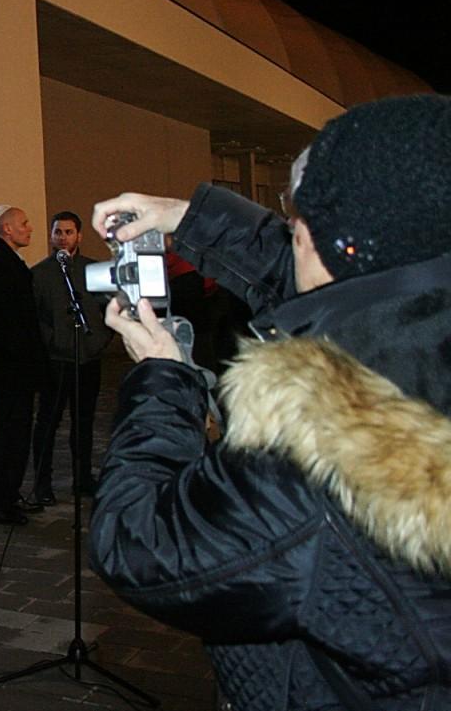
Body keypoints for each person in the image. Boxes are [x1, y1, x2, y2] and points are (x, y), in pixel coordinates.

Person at [88, 94, 451, 710]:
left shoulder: (323, 444)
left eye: (298, 220)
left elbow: (141, 546)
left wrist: (163, 379)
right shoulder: (418, 317)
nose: (292, 234)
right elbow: (334, 284)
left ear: (344, 242)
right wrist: (184, 216)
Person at [29, 211, 112, 505]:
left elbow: (110, 310)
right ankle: (42, 484)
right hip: (56, 360)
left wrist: (99, 340)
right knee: (48, 422)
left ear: (79, 235)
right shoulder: (39, 274)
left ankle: (83, 478)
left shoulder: (94, 270)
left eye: (68, 232)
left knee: (84, 422)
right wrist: (53, 342)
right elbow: (36, 318)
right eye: (58, 232)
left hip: (88, 357)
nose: (63, 238)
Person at [0, 204, 49, 524]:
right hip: (11, 369)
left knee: (15, 434)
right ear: (7, 229)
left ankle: (8, 495)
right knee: (10, 436)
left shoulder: (5, 261)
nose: (29, 228)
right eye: (24, 223)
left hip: (14, 367)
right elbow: (9, 326)